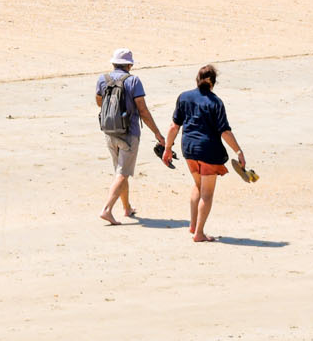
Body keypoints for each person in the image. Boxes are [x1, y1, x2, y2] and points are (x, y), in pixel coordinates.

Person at [164, 64, 247, 242]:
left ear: (197, 79)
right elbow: (224, 131)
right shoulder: (215, 102)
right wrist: (238, 151)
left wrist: (167, 148)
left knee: (197, 185)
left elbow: (174, 126)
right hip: (208, 150)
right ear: (213, 83)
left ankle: (193, 225)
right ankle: (199, 233)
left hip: (189, 149)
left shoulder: (184, 97)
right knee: (207, 194)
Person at [94, 48, 167, 225]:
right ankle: (107, 209)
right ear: (129, 65)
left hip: (109, 131)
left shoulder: (103, 79)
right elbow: (142, 109)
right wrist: (157, 133)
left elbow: (99, 102)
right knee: (123, 173)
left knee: (121, 172)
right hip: (129, 132)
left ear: (113, 63)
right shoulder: (133, 81)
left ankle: (126, 208)